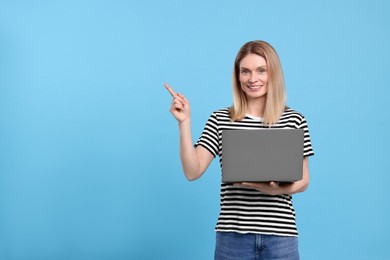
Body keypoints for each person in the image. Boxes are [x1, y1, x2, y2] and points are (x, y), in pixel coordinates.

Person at [165, 40, 314, 260]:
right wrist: (184, 122)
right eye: (245, 71)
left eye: (261, 70)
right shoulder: (220, 119)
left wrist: (273, 190)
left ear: (273, 73)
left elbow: (303, 180)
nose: (253, 79)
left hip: (281, 237)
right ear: (237, 76)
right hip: (232, 238)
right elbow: (192, 171)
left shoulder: (294, 119)